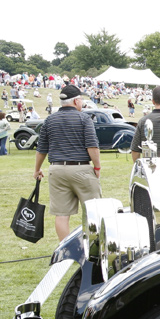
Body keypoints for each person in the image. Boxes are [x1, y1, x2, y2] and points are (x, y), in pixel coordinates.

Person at [32, 85, 102, 241]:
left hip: (56, 169)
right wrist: (97, 166)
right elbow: (92, 146)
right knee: (94, 210)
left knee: (62, 215)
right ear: (76, 101)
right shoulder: (84, 118)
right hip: (81, 168)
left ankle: (66, 252)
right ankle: (94, 247)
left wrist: (37, 170)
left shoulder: (49, 120)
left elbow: (41, 149)